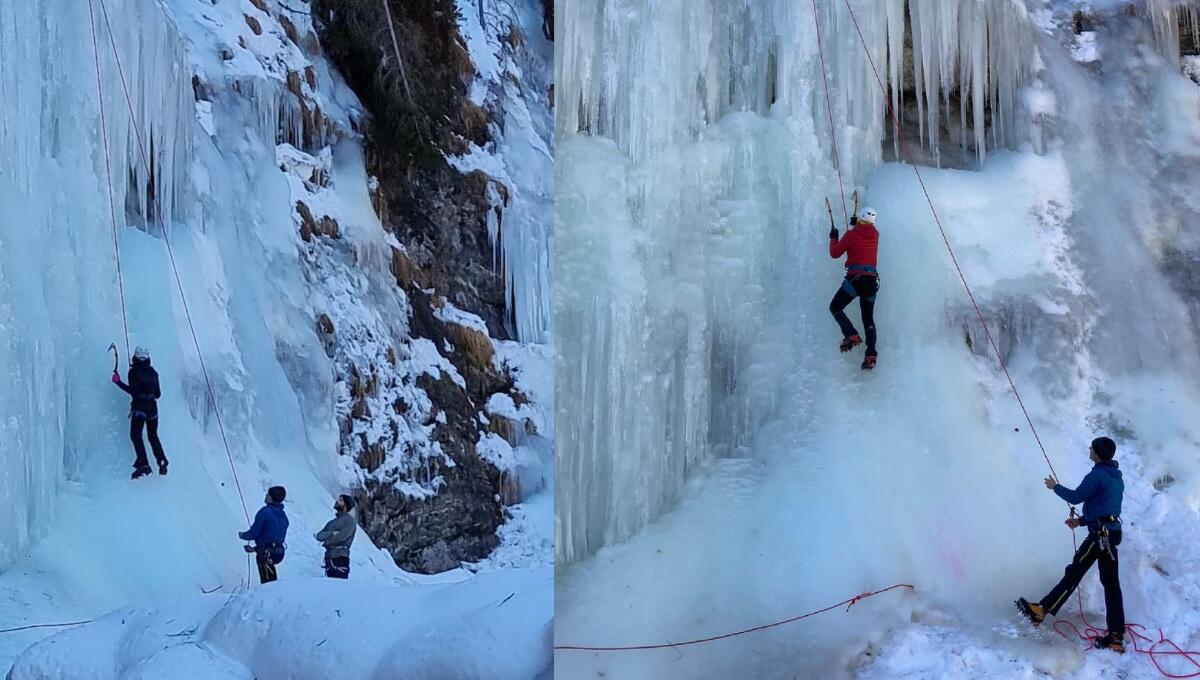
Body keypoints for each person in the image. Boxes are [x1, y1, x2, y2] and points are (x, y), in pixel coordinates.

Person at [1016, 437, 1126, 653]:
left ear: (1098, 453)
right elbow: (1107, 508)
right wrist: (1081, 521)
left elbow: (1076, 497)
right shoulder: (1116, 478)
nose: (1090, 450)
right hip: (1111, 534)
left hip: (1099, 536)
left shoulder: (1097, 475)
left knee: (1074, 573)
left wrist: (1054, 487)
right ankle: (1116, 636)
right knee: (1111, 585)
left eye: (1092, 448)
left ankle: (1041, 609)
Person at [827, 193, 880, 371]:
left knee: (835, 307)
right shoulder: (876, 235)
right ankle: (871, 354)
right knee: (868, 320)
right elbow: (863, 234)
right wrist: (855, 224)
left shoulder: (851, 235)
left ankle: (851, 334)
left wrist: (834, 237)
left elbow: (835, 253)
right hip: (871, 283)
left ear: (861, 220)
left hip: (855, 280)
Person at [112, 346, 169, 479]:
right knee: (153, 436)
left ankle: (143, 463)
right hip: (153, 408)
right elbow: (158, 394)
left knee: (135, 435)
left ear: (135, 357)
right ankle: (162, 461)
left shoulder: (133, 372)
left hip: (140, 408)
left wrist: (118, 382)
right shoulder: (154, 372)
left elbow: (134, 391)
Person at [239, 486, 289, 584]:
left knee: (266, 582)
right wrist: (255, 549)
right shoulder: (283, 516)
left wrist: (243, 535)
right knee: (271, 578)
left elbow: (254, 533)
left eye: (268, 494)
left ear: (271, 498)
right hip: (279, 551)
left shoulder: (265, 512)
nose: (266, 495)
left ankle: (269, 597)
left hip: (266, 552)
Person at [314, 494, 358, 579]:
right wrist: (332, 533)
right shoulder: (332, 522)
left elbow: (342, 536)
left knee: (339, 587)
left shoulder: (350, 521)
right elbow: (319, 536)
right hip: (329, 558)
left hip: (340, 557)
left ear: (346, 504)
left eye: (341, 500)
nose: (337, 501)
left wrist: (327, 541)